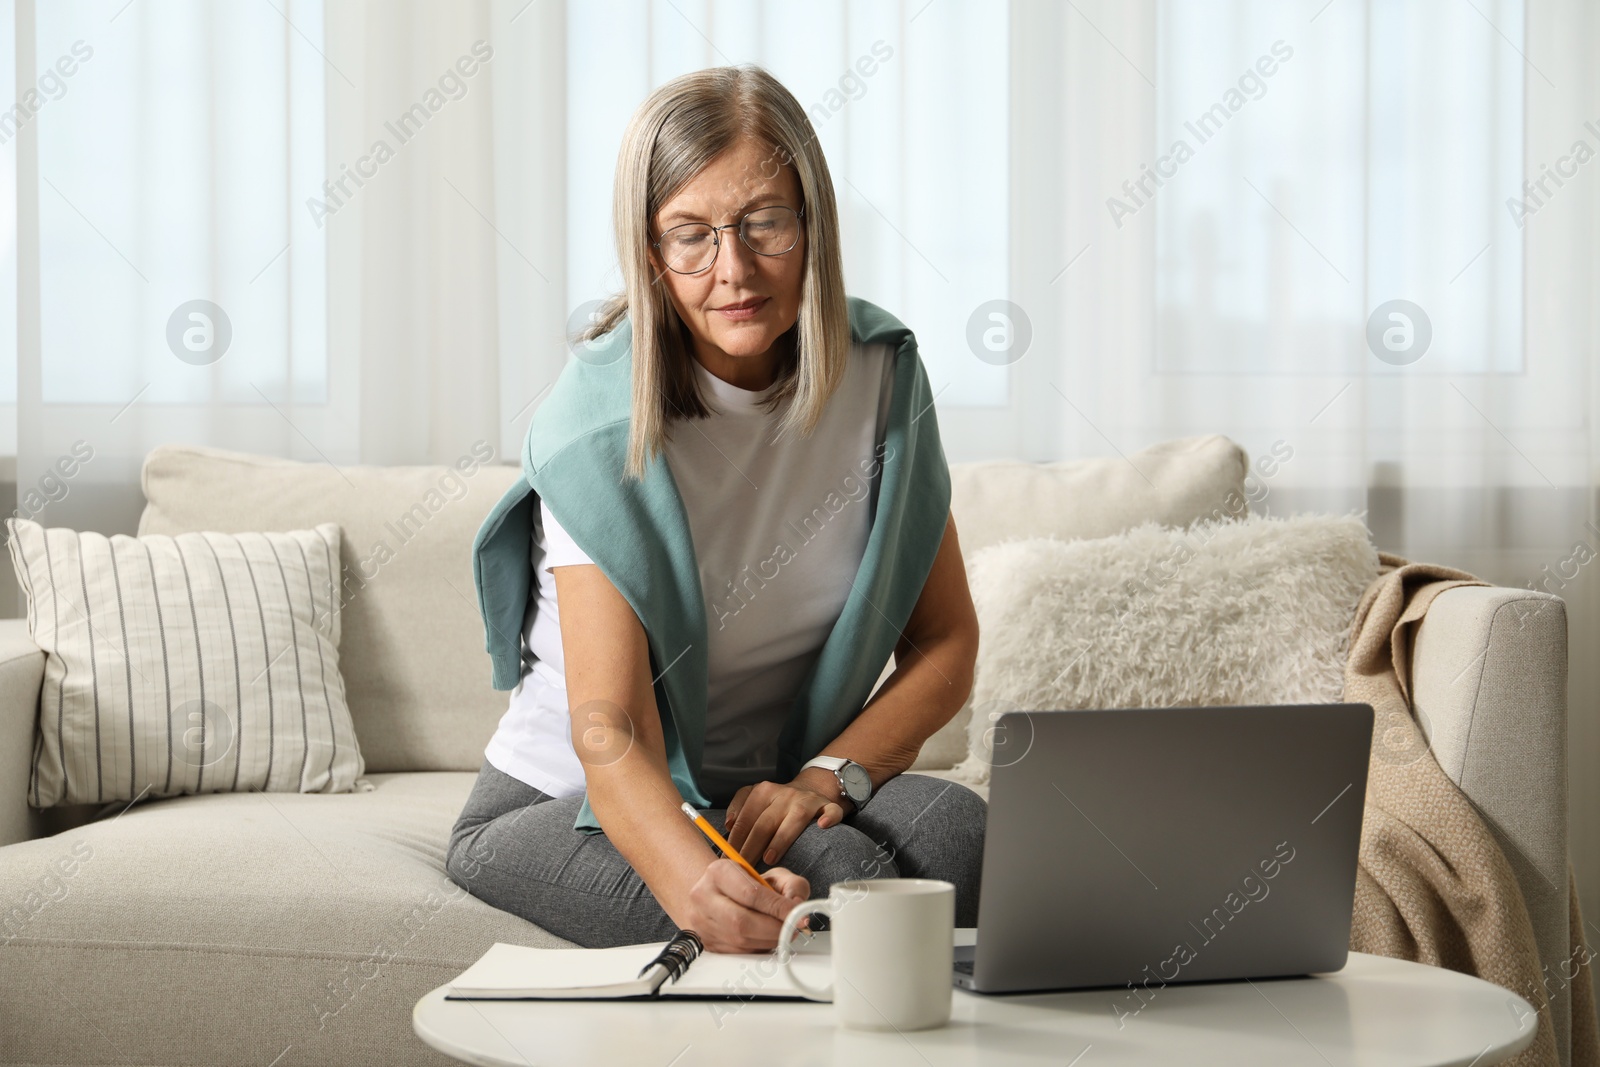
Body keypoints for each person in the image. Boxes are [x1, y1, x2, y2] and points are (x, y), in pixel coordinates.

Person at [446, 64, 985, 954]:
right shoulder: (598, 427)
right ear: (652, 255)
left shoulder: (883, 376)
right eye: (690, 236)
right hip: (569, 799)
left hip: (769, 783)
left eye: (764, 222)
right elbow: (609, 728)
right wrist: (696, 885)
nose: (732, 269)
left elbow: (944, 642)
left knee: (962, 836)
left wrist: (824, 780)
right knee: (843, 891)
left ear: (813, 225)